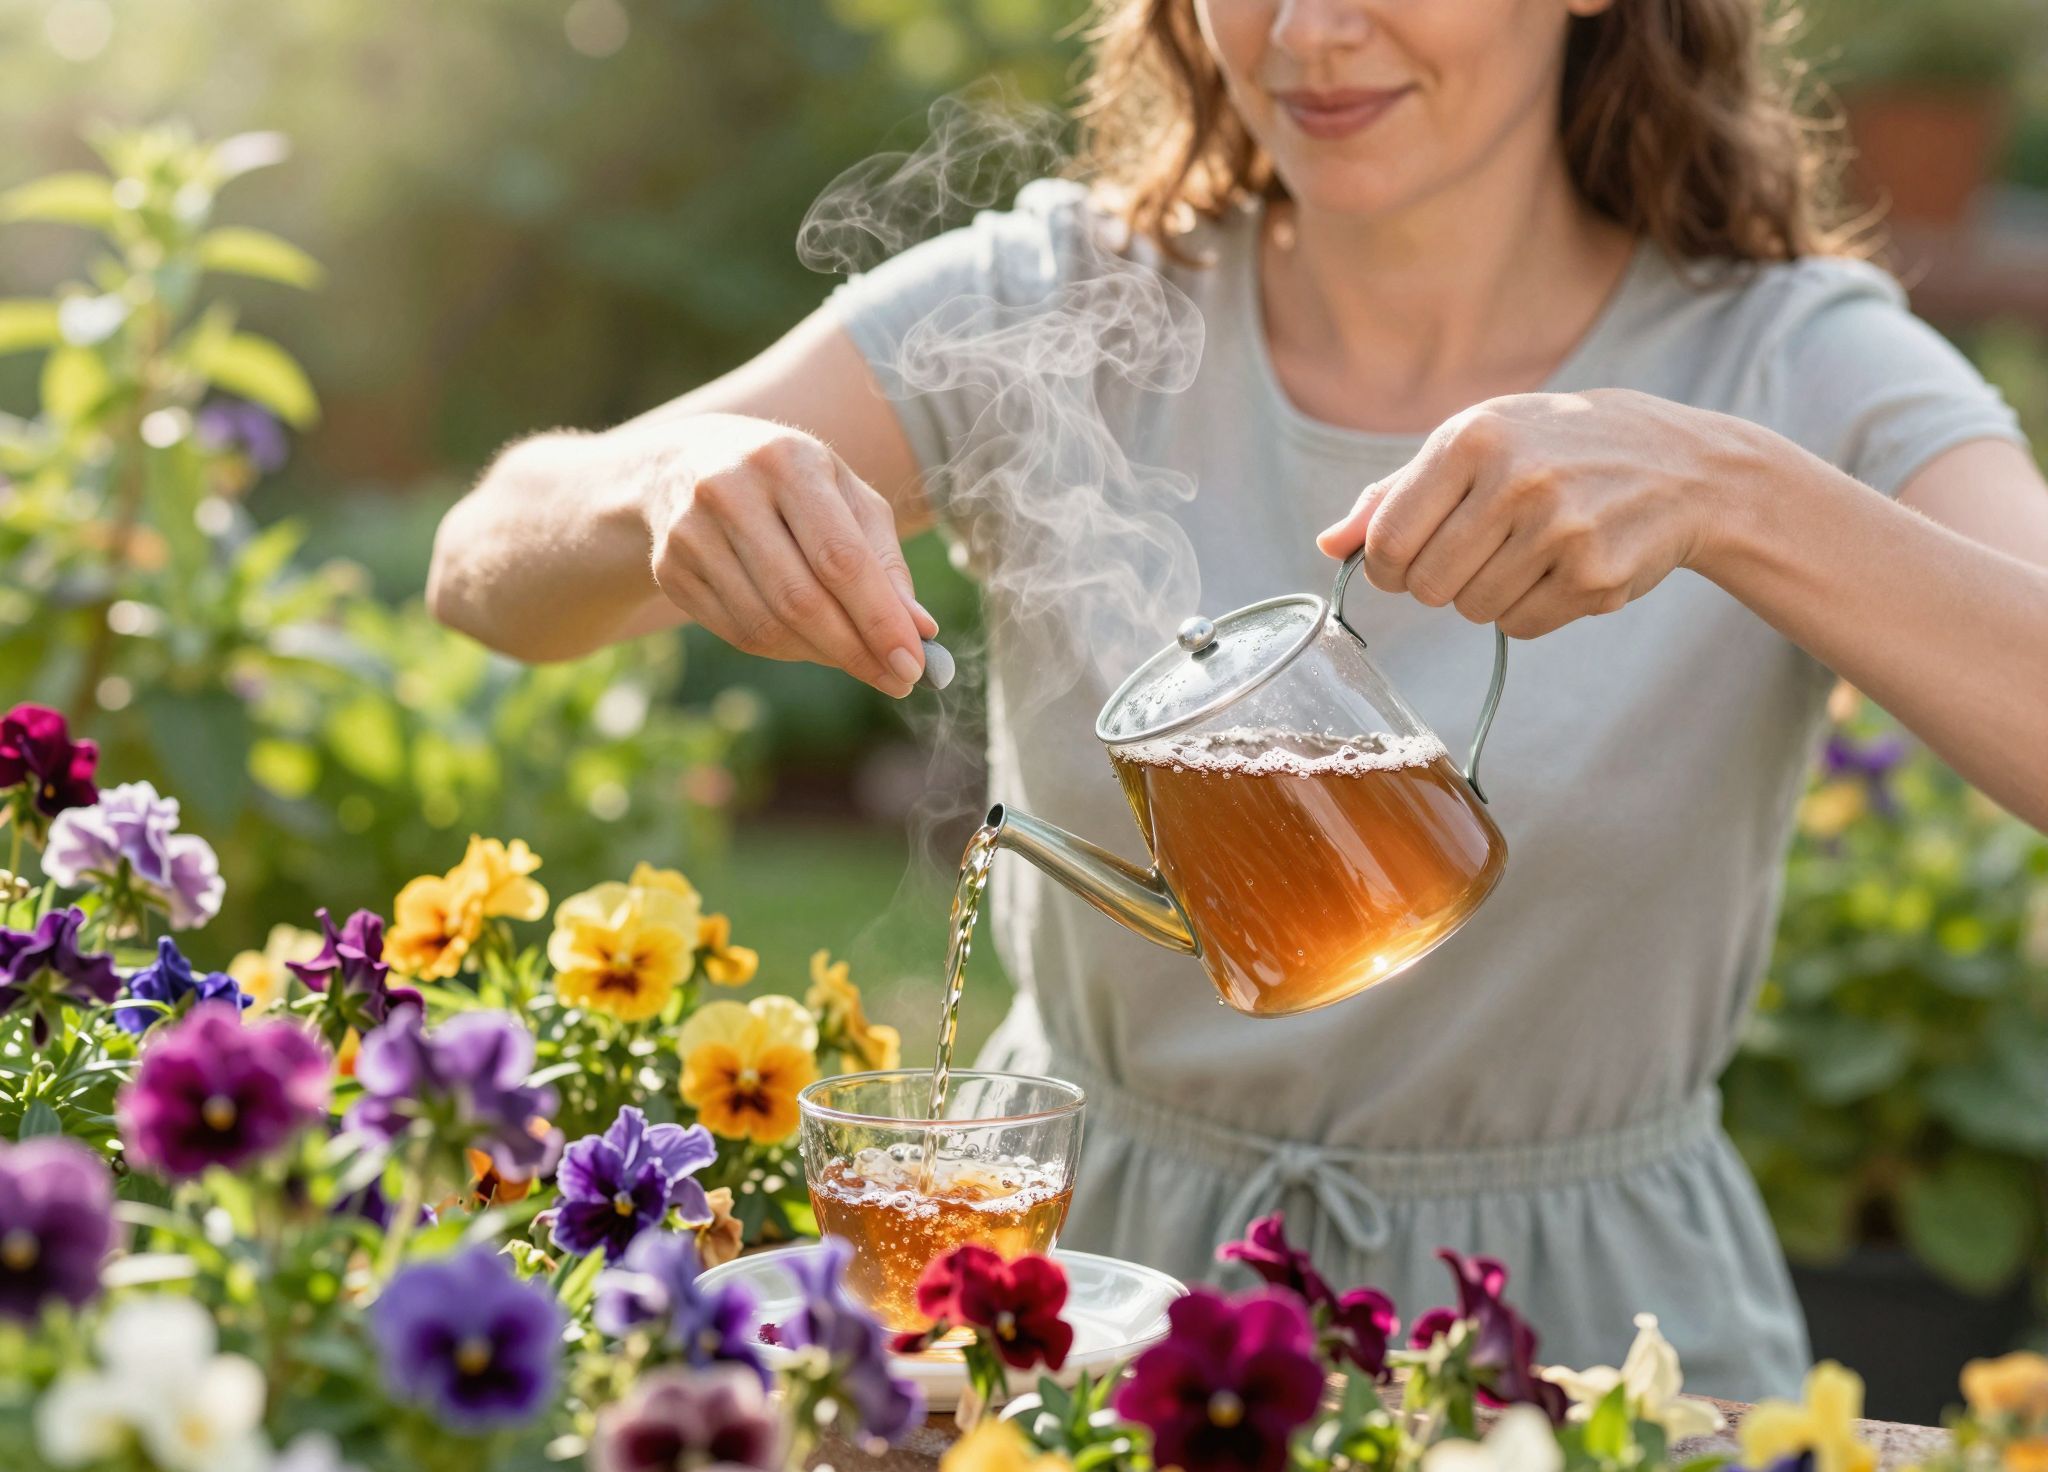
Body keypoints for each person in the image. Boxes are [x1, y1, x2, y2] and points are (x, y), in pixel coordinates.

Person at [427, 0, 2048, 1400]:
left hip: (1596, 1344)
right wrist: (662, 486)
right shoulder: (1057, 303)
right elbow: (484, 567)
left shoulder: (1793, 366)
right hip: (1080, 1305)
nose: (1302, 32)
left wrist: (1739, 496)